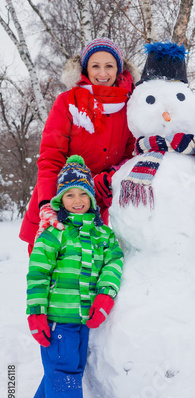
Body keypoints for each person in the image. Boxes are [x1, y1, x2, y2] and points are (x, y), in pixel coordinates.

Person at [26, 155, 124, 398]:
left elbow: (114, 263)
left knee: (66, 367)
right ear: (60, 198)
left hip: (82, 318)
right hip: (56, 318)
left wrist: (105, 295)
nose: (77, 200)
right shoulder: (53, 233)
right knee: (64, 370)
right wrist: (36, 313)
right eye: (70, 194)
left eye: (83, 193)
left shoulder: (103, 235)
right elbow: (38, 275)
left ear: (92, 199)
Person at [19, 37, 139, 253]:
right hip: (59, 199)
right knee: (48, 271)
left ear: (118, 70)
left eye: (109, 66)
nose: (102, 73)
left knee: (88, 269)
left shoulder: (130, 107)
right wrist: (47, 203)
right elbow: (50, 156)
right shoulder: (67, 102)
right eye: (95, 66)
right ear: (85, 69)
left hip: (95, 202)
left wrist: (110, 177)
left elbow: (129, 157)